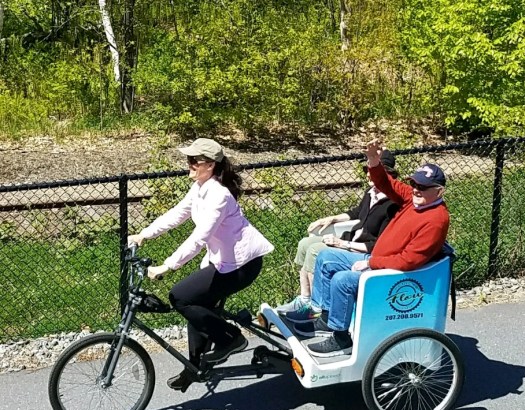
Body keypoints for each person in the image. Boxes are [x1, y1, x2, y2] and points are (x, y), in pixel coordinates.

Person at [128, 138, 274, 392]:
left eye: (194, 161)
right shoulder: (200, 187)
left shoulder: (220, 196)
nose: (190, 165)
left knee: (180, 297)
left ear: (210, 165)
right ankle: (195, 367)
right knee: (195, 304)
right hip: (223, 262)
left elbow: (200, 237)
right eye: (189, 160)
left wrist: (167, 266)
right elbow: (177, 214)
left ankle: (231, 339)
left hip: (242, 265)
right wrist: (144, 234)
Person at [286, 139, 450, 357]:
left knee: (343, 280)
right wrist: (373, 160)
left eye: (423, 187)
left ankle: (341, 339)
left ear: (439, 191)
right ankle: (327, 319)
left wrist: (371, 263)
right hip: (377, 261)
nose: (416, 190)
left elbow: (409, 261)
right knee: (325, 257)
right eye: (414, 184)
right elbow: (386, 183)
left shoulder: (436, 219)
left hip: (392, 274)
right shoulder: (412, 200)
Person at [277, 151, 399, 318]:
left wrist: (341, 244)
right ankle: (305, 299)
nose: (368, 175)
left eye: (373, 171)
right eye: (367, 170)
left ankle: (317, 307)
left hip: (361, 250)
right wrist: (332, 218)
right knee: (305, 244)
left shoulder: (393, 204)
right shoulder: (371, 193)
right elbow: (357, 212)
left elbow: (378, 245)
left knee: (315, 250)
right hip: (350, 240)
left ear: (387, 175)